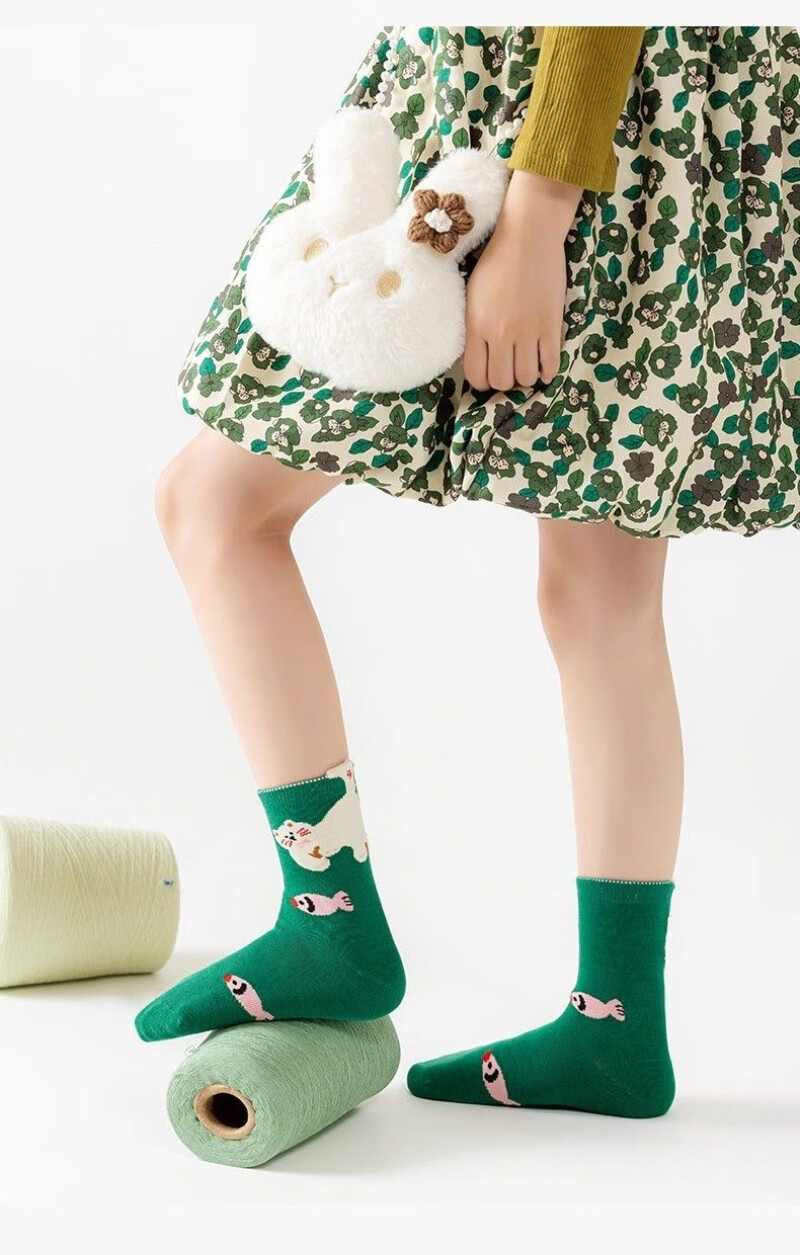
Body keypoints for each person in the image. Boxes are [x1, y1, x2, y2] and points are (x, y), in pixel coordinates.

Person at [135, 27, 799, 1118]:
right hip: (594, 124)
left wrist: (538, 214)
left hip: (558, 137)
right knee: (601, 595)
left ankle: (329, 921)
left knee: (215, 505)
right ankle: (614, 1027)